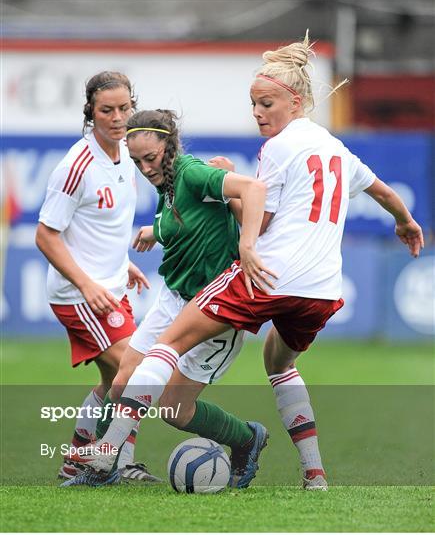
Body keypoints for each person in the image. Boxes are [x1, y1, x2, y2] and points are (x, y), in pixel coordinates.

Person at [68, 33, 424, 491]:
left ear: (294, 101)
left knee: (166, 350)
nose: (257, 113)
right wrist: (406, 222)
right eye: (253, 104)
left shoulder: (276, 148)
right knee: (279, 364)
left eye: (266, 104)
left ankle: (102, 461)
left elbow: (256, 207)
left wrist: (247, 241)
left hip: (267, 275)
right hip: (320, 289)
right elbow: (382, 190)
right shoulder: (335, 147)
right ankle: (314, 474)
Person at [63, 108, 271, 489]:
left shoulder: (192, 173)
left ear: (169, 146)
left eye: (151, 158)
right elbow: (186, 221)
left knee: (174, 410)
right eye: (137, 160)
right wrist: (154, 231)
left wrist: (247, 244)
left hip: (216, 307)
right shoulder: (167, 186)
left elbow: (253, 189)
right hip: (174, 298)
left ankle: (246, 439)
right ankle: (109, 468)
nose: (145, 168)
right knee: (122, 380)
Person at [36, 71, 160, 483]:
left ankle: (78, 459)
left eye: (125, 108)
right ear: (91, 111)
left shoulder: (126, 154)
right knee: (136, 372)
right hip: (79, 295)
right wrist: (87, 284)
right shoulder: (77, 164)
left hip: (111, 287)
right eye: (107, 110)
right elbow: (46, 235)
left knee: (114, 380)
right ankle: (117, 463)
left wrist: (121, 262)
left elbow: (99, 226)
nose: (118, 117)